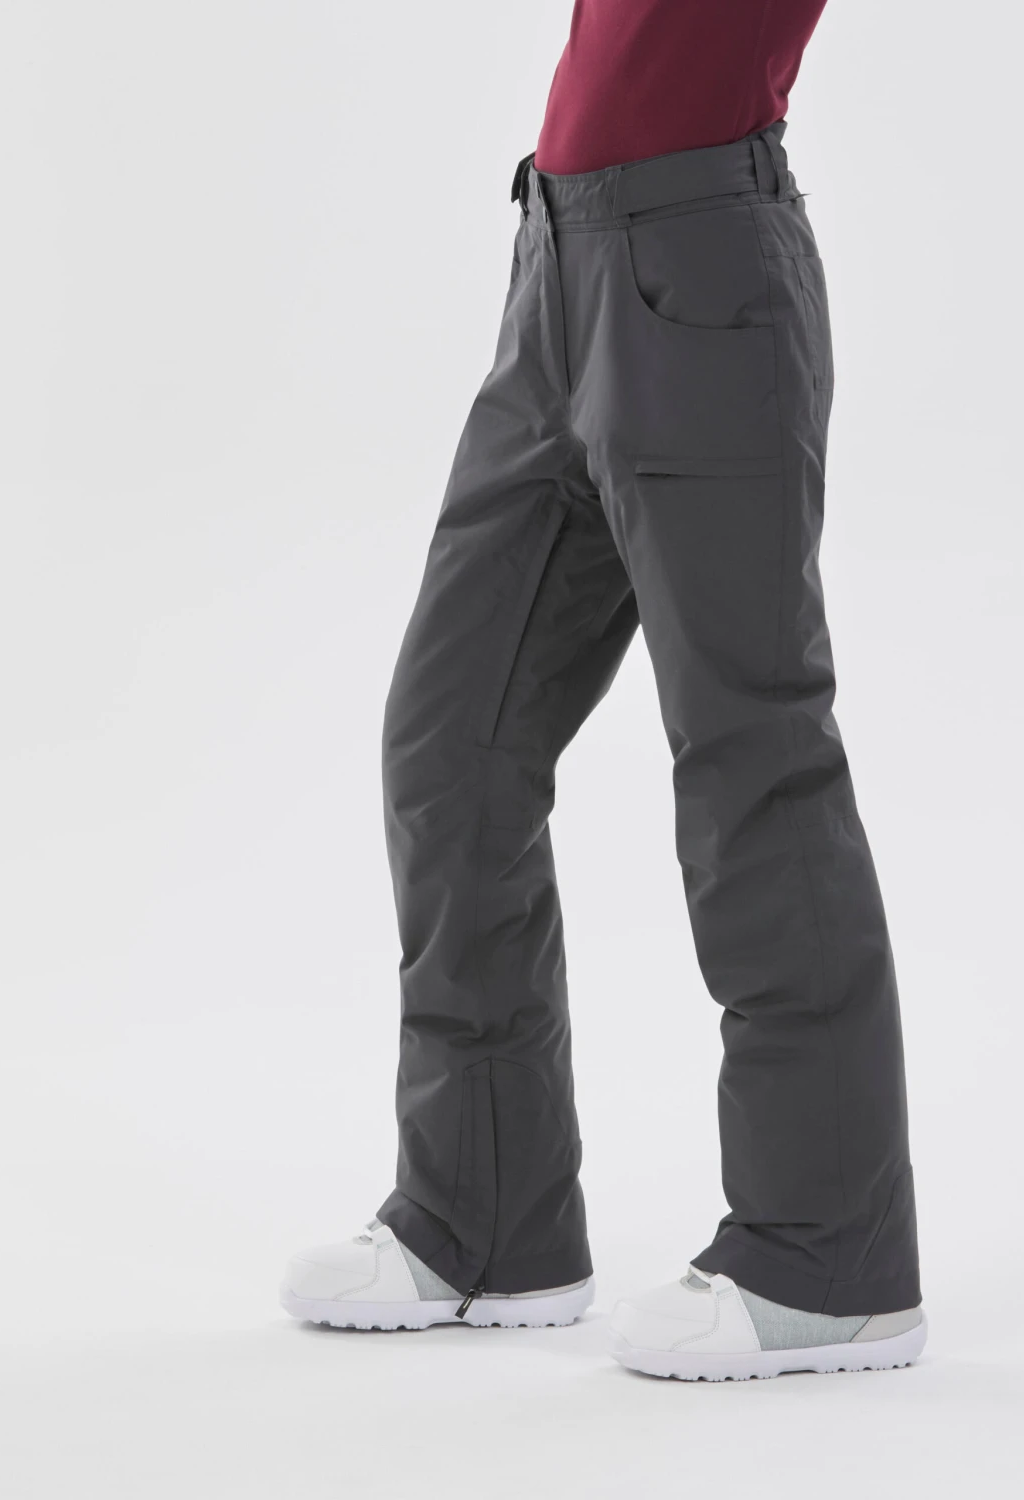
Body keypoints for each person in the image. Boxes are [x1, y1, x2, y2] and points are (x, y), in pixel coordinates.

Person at [280, 0, 925, 1381]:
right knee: (449, 741)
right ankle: (485, 1223)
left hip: (701, 269)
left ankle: (828, 1258)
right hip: (556, 269)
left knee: (750, 753)